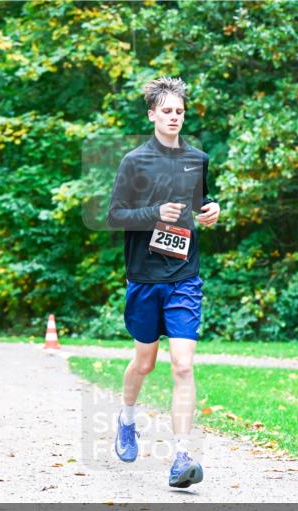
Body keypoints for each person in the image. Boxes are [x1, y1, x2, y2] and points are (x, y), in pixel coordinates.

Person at [106, 77, 221, 488]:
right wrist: (155, 213)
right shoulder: (134, 162)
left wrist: (212, 211)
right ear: (152, 113)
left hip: (184, 276)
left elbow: (202, 203)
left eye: (180, 111)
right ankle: (127, 417)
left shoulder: (197, 159)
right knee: (145, 362)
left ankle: (182, 456)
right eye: (168, 111)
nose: (175, 117)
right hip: (144, 277)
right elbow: (115, 215)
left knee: (183, 364)